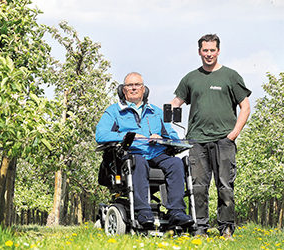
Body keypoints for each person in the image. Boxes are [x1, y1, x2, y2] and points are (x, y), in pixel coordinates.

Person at [171, 34, 251, 238]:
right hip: (197, 141)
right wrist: (160, 118)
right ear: (199, 51)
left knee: (225, 186)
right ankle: (200, 229)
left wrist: (233, 134)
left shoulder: (231, 76)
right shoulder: (190, 78)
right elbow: (175, 103)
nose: (208, 54)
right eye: (205, 50)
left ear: (218, 51)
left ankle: (226, 228)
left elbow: (245, 107)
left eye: (212, 50)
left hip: (224, 140)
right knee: (198, 187)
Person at [96, 72, 194, 228]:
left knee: (176, 163)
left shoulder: (156, 112)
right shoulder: (113, 111)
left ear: (144, 89)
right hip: (131, 153)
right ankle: (143, 211)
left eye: (137, 85)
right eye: (130, 85)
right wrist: (129, 136)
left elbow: (174, 136)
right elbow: (100, 135)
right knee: (139, 162)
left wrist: (161, 137)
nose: (134, 88)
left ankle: (177, 211)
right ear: (123, 90)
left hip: (156, 152)